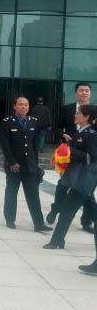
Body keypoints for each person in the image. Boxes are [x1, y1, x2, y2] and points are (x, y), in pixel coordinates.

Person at [43, 105, 97, 250]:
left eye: (78, 113)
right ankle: (57, 241)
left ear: (86, 117)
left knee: (67, 210)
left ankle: (56, 241)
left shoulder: (92, 134)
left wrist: (69, 149)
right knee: (87, 210)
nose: (75, 115)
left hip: (84, 179)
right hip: (77, 178)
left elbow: (91, 157)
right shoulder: (79, 132)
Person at [46, 83, 94, 234]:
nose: (84, 93)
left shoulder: (94, 111)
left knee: (87, 192)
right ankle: (56, 209)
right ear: (76, 93)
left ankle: (86, 221)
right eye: (81, 90)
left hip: (86, 156)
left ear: (90, 93)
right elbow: (56, 127)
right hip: (69, 155)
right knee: (63, 184)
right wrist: (63, 134)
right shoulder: (68, 109)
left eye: (87, 91)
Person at [0, 97, 51, 232]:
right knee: (11, 192)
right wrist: (12, 162)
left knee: (33, 194)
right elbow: (5, 145)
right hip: (14, 166)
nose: (23, 107)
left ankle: (39, 224)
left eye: (26, 105)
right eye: (21, 104)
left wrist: (35, 164)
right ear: (14, 107)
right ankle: (10, 219)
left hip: (29, 165)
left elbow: (35, 146)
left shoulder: (33, 122)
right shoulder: (7, 122)